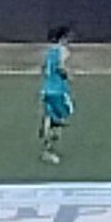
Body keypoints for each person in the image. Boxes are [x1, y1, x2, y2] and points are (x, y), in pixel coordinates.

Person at [39, 26, 73, 164]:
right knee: (64, 114)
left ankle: (47, 145)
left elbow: (44, 68)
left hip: (47, 89)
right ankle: (48, 149)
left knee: (53, 118)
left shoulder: (48, 52)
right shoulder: (62, 51)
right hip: (58, 90)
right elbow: (60, 67)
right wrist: (67, 75)